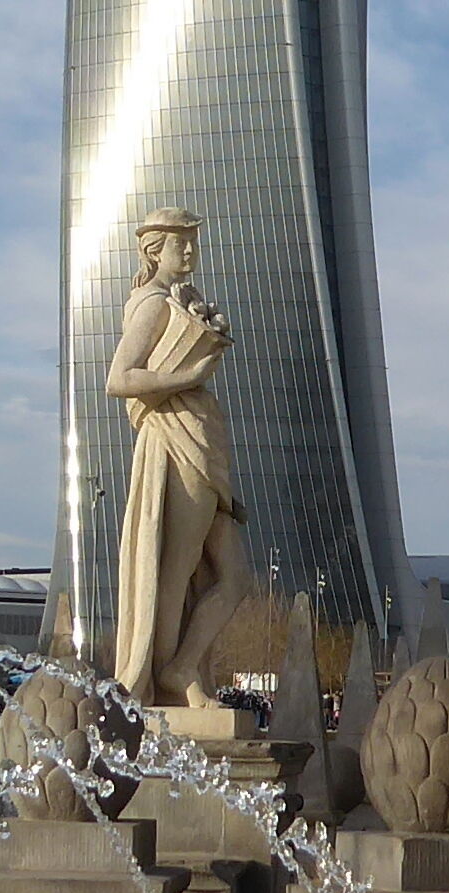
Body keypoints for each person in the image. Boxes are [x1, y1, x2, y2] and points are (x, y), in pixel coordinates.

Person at [107, 206, 250, 707]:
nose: (189, 251)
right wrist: (188, 378)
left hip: (201, 440)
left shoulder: (176, 301)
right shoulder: (152, 305)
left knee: (234, 578)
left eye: (192, 242)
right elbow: (119, 379)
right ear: (153, 250)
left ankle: (182, 666)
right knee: (176, 570)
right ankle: (164, 680)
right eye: (179, 242)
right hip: (177, 440)